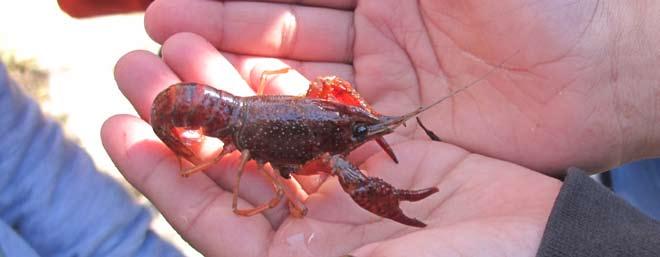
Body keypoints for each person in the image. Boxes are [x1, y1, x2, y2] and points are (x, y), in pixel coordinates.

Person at [104, 0, 660, 256]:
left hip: (243, 114)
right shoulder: (293, 144)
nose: (361, 131)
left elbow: (338, 110)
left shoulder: (333, 116)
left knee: (346, 125)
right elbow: (301, 176)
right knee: (310, 172)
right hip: (223, 118)